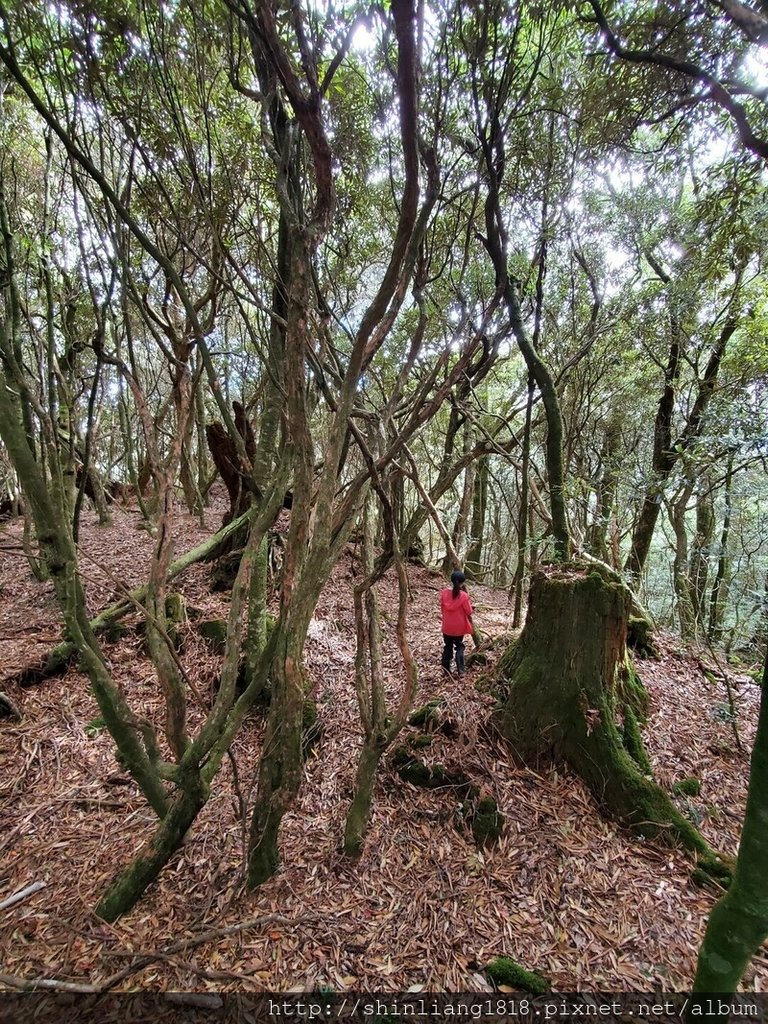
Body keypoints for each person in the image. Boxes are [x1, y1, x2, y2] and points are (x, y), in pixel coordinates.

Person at [440, 569, 474, 676]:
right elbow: (469, 611)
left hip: (447, 626)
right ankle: (461, 670)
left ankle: (446, 670)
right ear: (461, 582)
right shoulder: (463, 596)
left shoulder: (444, 593)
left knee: (447, 646)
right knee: (459, 646)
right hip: (459, 627)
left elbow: (442, 608)